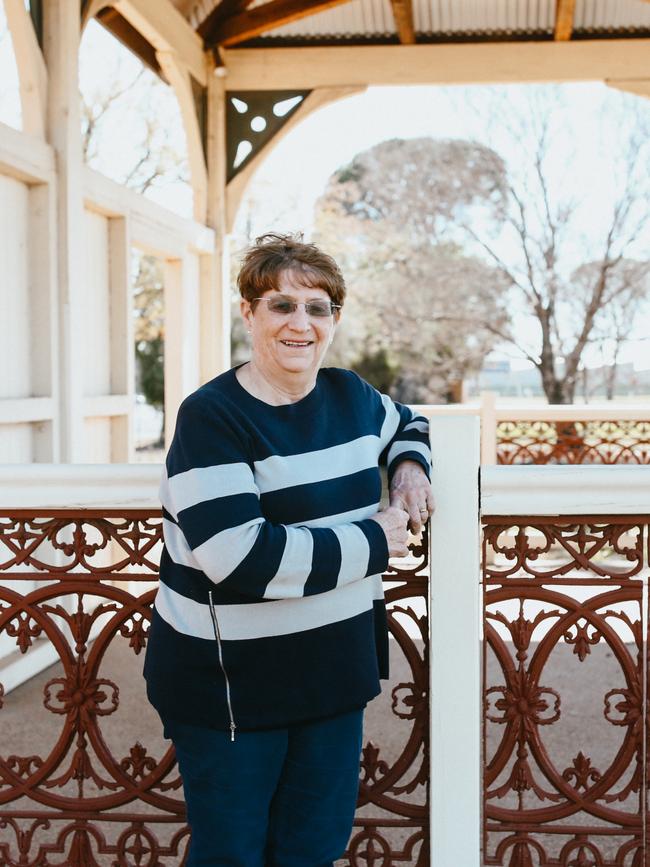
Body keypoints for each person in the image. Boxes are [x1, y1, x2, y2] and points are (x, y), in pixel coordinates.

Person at [143, 232, 434, 867]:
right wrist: (374, 541)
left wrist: (409, 467)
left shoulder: (350, 396)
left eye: (317, 307)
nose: (300, 323)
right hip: (230, 690)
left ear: (334, 320)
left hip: (333, 675)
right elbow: (240, 558)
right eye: (281, 305)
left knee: (313, 851)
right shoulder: (211, 418)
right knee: (233, 856)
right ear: (249, 314)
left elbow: (410, 421)